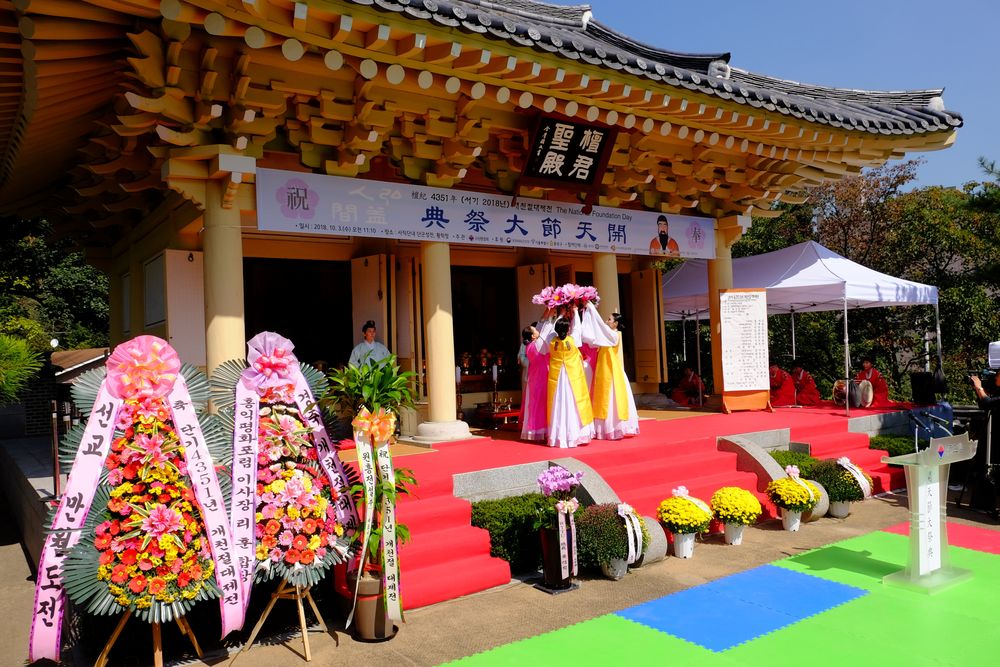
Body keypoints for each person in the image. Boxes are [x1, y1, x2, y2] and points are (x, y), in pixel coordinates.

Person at [541, 315, 594, 448]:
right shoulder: (574, 339)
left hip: (558, 377)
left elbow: (549, 329)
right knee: (573, 403)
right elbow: (577, 327)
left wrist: (558, 314)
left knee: (558, 404)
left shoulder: (551, 341)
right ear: (568, 328)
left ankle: (558, 436)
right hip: (572, 378)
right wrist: (575, 312)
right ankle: (575, 434)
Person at [589, 309, 639, 440]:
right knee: (603, 398)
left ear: (616, 323)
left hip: (612, 372)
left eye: (609, 319)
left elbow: (600, 326)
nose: (607, 321)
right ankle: (604, 428)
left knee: (612, 400)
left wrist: (591, 308)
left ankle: (614, 428)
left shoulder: (614, 335)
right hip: (604, 371)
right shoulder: (607, 335)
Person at [519, 321, 550, 442]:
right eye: (535, 330)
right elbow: (546, 331)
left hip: (534, 377)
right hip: (541, 376)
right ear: (533, 336)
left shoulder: (529, 346)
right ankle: (541, 430)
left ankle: (535, 430)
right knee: (541, 403)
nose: (538, 331)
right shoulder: (537, 344)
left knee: (535, 404)